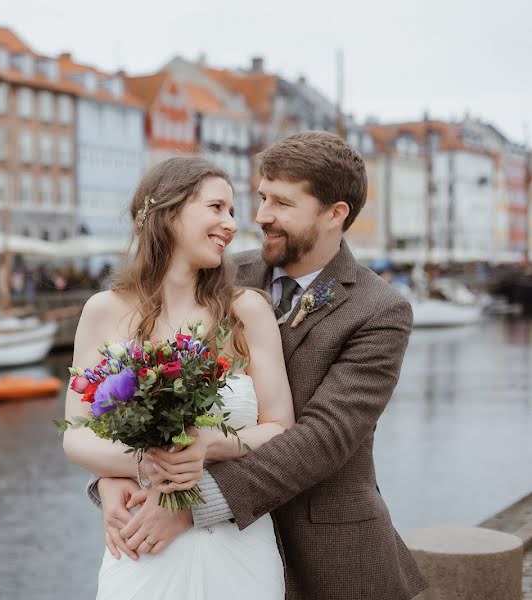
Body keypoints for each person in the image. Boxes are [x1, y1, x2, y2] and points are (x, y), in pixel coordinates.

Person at [92, 132, 428, 599]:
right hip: (200, 546)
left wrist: (191, 506)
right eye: (263, 197)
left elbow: (324, 438)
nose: (260, 216)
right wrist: (112, 478)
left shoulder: (379, 310)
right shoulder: (220, 273)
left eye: (282, 203)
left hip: (327, 551)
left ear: (335, 214)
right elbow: (146, 393)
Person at [63, 156, 294, 599]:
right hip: (139, 542)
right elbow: (76, 436)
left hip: (236, 547)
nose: (230, 223)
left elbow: (281, 428)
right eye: (216, 207)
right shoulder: (103, 311)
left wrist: (212, 444)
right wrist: (138, 466)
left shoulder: (247, 310)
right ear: (169, 213)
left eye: (232, 212)